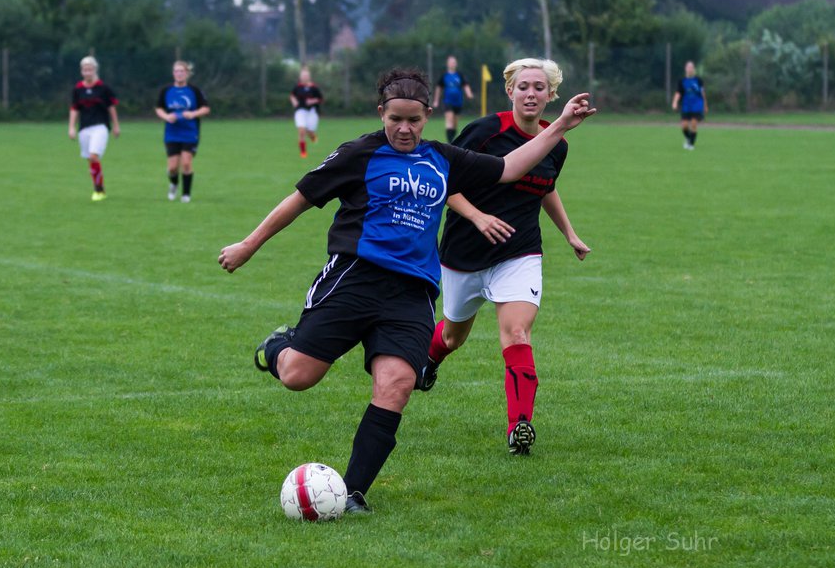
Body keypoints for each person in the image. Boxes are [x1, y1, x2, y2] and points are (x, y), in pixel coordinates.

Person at [218, 68, 595, 513]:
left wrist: (563, 127)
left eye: (414, 120)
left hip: (412, 293)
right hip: (354, 279)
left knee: (397, 384)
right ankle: (278, 346)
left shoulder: (443, 158)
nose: (404, 128)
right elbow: (300, 198)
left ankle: (354, 492)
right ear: (382, 113)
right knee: (300, 377)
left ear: (427, 117)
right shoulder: (360, 153)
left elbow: (511, 167)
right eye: (395, 118)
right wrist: (248, 245)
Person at [420, 58, 590, 456]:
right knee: (451, 335)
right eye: (524, 86)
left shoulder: (556, 143)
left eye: (540, 87)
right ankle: (429, 359)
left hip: (520, 252)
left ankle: (520, 427)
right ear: (510, 91)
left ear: (552, 95)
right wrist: (478, 217)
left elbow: (545, 187)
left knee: (517, 334)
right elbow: (442, 178)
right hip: (464, 253)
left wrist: (569, 232)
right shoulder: (485, 132)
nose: (532, 94)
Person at [67, 55, 120, 202]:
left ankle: (99, 190)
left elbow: (111, 107)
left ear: (95, 70)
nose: (87, 72)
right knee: (90, 160)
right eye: (85, 69)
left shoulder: (104, 88)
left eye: (90, 69)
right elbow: (74, 109)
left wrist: (116, 125)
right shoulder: (78, 89)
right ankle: (98, 186)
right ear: (81, 71)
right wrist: (71, 127)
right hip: (84, 128)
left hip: (100, 127)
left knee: (93, 156)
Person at [156, 61, 211, 203]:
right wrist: (167, 116)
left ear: (187, 73)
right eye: (176, 71)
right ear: (173, 73)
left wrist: (192, 114)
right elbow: (159, 108)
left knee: (186, 163)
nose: (179, 74)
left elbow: (206, 108)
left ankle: (186, 195)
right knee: (173, 167)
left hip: (190, 133)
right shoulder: (166, 90)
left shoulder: (194, 90)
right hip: (172, 133)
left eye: (182, 71)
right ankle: (173, 183)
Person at [671, 60, 706, 150]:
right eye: (688, 67)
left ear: (694, 69)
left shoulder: (698, 80)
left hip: (697, 105)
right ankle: (688, 138)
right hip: (686, 106)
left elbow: (702, 93)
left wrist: (705, 105)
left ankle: (691, 145)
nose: (690, 69)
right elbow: (678, 93)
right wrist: (675, 102)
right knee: (684, 126)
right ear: (685, 69)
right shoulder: (682, 81)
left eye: (691, 67)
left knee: (694, 124)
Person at [439, 55, 474, 142]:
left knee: (454, 124)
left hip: (458, 102)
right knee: (449, 121)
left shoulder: (459, 75)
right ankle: (449, 143)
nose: (452, 64)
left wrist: (469, 93)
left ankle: (452, 140)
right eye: (451, 62)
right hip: (448, 102)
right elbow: (439, 87)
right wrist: (436, 100)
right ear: (447, 64)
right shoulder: (445, 76)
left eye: (454, 62)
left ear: (456, 64)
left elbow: (465, 85)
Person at [290, 67, 323, 159]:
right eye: (302, 76)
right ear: (300, 77)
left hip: (312, 112)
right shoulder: (298, 87)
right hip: (300, 111)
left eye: (306, 76)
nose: (304, 77)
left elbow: (320, 99)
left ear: (309, 77)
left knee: (310, 132)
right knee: (301, 131)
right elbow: (292, 96)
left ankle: (313, 136)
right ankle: (303, 152)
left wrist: (312, 101)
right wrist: (294, 102)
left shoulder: (314, 88)